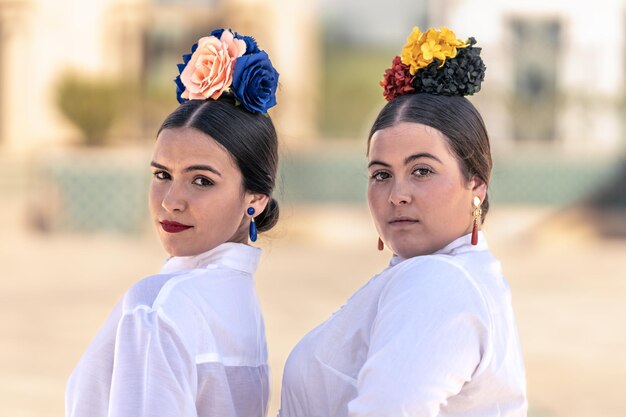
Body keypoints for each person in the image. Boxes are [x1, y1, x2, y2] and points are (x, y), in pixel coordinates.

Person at [279, 27, 527, 416]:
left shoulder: (438, 281)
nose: (397, 194)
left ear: (475, 183)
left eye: (422, 171)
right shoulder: (456, 274)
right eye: (381, 174)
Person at [66, 28, 280, 417]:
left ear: (256, 199)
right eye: (162, 174)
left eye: (201, 181)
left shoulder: (159, 304)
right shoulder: (240, 303)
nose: (170, 201)